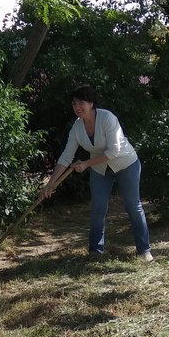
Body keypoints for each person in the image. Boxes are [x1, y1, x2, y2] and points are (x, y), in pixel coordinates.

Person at [39, 85, 152, 261]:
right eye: (74, 103)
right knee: (98, 208)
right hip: (100, 170)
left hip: (126, 164)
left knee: (133, 206)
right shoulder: (77, 128)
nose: (77, 107)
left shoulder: (107, 118)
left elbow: (113, 152)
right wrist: (51, 184)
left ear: (91, 103)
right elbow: (66, 157)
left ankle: (144, 250)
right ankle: (95, 251)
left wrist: (85, 164)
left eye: (81, 102)